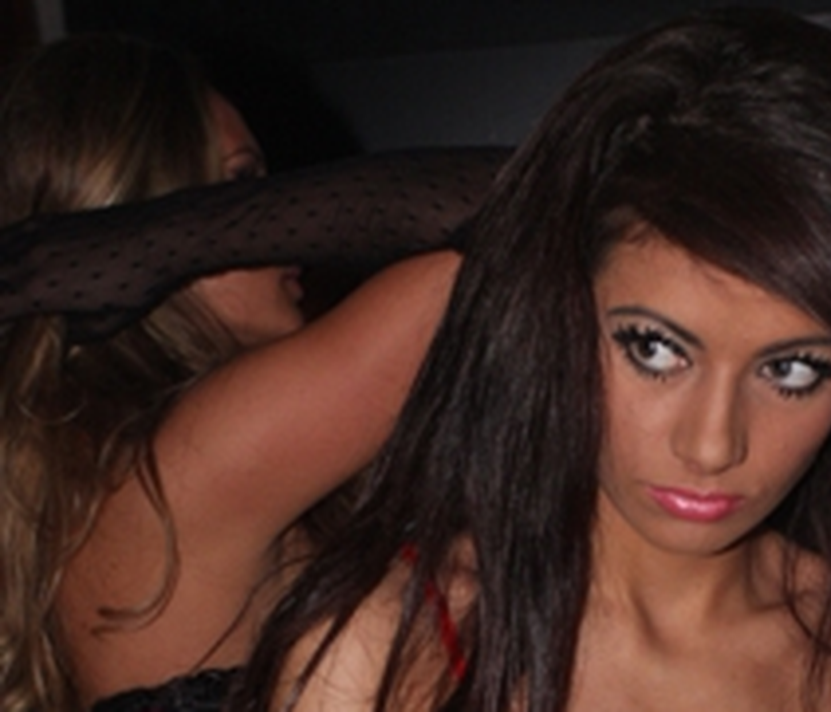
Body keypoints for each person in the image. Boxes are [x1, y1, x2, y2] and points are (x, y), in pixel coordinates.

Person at [221, 8, 831, 711]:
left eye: (792, 370)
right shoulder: (383, 653)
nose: (712, 444)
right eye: (655, 349)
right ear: (559, 316)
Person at [0, 36, 500, 711]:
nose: (283, 228)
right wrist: (164, 244)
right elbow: (521, 215)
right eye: (239, 190)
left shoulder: (126, 468)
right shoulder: (187, 460)